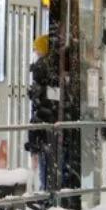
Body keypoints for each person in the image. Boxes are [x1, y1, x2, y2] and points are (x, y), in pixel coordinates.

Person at [27, 35, 59, 191]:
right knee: (48, 160)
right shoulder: (53, 66)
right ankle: (46, 190)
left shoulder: (41, 67)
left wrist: (35, 94)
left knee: (44, 162)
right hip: (49, 121)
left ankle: (44, 192)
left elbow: (41, 100)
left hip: (43, 121)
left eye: (38, 49)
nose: (36, 52)